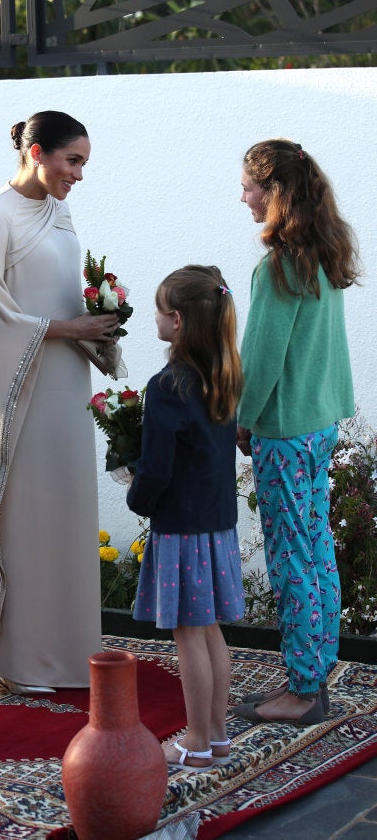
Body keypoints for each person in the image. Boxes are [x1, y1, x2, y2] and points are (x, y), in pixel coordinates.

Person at [0, 111, 118, 693]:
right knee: (23, 514)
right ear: (35, 151)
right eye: (71, 161)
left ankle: (72, 650)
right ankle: (20, 661)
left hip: (66, 386)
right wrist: (70, 329)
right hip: (14, 386)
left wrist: (100, 324)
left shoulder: (61, 208)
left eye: (82, 163)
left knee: (66, 510)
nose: (78, 174)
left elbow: (62, 290)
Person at [233, 139, 360, 726]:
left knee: (292, 558)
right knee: (317, 550)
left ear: (274, 191)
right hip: (319, 424)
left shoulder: (280, 263)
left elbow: (260, 360)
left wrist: (243, 419)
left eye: (250, 187)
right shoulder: (322, 252)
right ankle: (316, 672)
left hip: (284, 432)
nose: (244, 197)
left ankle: (304, 690)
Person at [127, 265, 244, 771]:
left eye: (158, 308)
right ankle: (217, 738)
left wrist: (136, 495)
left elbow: (157, 468)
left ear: (175, 320)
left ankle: (195, 741)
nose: (154, 316)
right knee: (210, 631)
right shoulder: (223, 376)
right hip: (217, 526)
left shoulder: (168, 385)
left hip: (182, 530)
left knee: (189, 636)